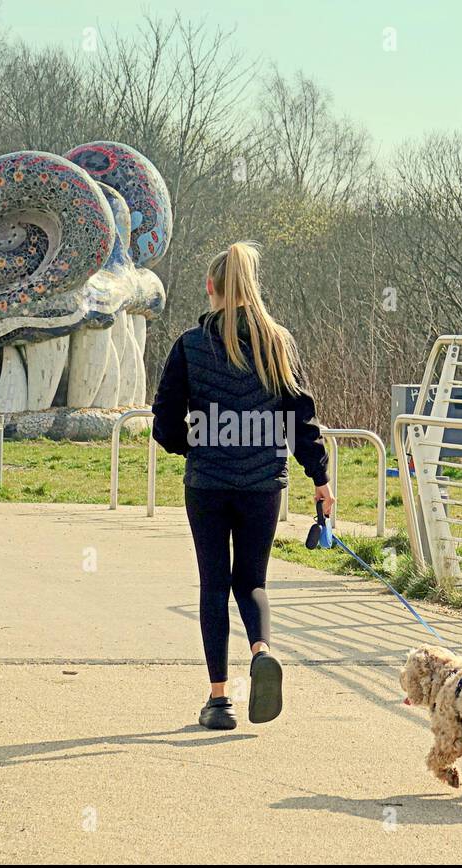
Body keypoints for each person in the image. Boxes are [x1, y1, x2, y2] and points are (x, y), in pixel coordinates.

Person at [152, 241, 333, 730]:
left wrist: (192, 445)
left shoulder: (190, 345)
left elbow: (164, 422)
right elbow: (301, 419)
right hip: (262, 484)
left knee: (213, 583)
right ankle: (261, 651)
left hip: (208, 483)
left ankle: (219, 700)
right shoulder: (279, 343)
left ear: (211, 288)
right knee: (251, 581)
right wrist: (320, 477)